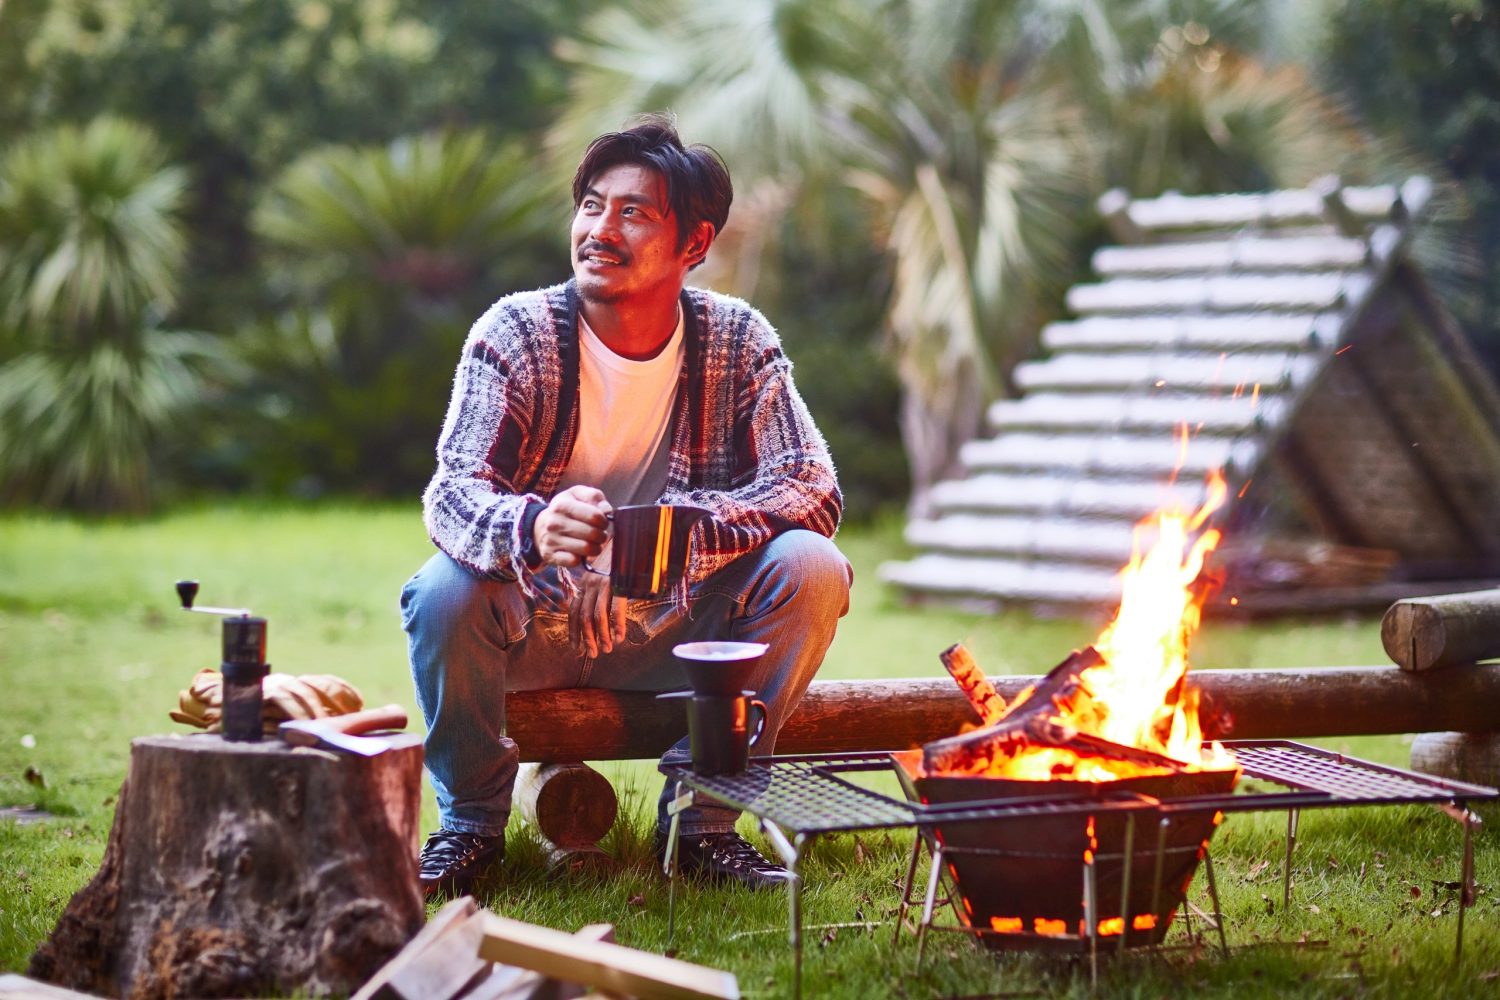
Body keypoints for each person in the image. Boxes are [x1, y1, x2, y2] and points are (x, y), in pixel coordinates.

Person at [400, 114, 851, 897]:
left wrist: (653, 541)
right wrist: (535, 530)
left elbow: (811, 485)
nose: (600, 229)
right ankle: (470, 829)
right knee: (443, 590)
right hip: (533, 625)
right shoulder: (517, 331)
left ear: (694, 244)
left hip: (676, 633)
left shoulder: (739, 340)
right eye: (591, 205)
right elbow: (452, 493)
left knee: (813, 566)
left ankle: (702, 824)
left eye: (633, 211)